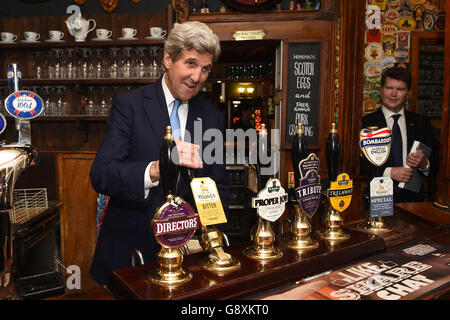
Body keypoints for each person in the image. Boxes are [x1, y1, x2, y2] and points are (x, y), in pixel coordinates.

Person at [89, 21, 229, 285]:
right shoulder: (129, 106)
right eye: (190, 63)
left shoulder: (211, 118)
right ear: (168, 58)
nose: (197, 77)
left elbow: (218, 187)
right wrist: (155, 169)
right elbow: (101, 174)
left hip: (188, 259)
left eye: (205, 69)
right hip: (131, 256)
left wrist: (204, 231)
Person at [361, 66, 438, 203]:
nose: (393, 94)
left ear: (408, 93)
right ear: (381, 90)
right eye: (389, 88)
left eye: (400, 89)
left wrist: (424, 164)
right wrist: (389, 172)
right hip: (376, 199)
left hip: (412, 201)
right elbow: (359, 165)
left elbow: (436, 164)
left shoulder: (422, 123)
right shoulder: (365, 124)